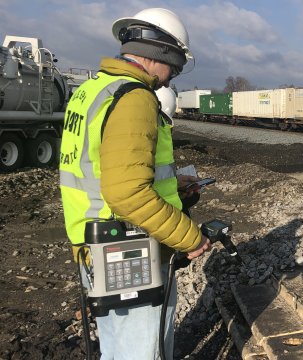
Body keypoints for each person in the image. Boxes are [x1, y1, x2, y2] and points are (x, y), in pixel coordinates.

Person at [59, 8, 211, 359]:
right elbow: (126, 192)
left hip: (94, 244)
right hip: (129, 249)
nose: (172, 75)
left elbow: (100, 169)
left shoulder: (92, 89)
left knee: (117, 347)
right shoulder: (135, 97)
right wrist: (189, 236)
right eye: (176, 65)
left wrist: (174, 184)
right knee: (143, 351)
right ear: (164, 53)